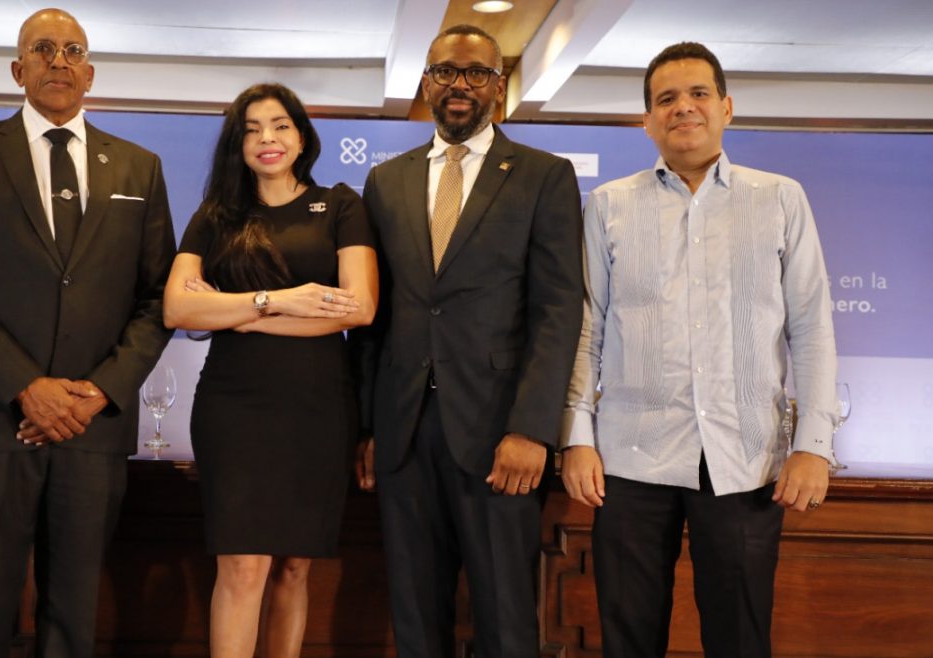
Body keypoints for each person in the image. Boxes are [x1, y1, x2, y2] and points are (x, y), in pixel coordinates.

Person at [560, 41, 839, 658]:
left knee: (739, 640)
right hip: (630, 460)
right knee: (628, 642)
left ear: (726, 108)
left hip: (745, 459)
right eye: (666, 99)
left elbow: (812, 328)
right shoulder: (607, 205)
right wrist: (576, 436)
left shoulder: (780, 198)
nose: (683, 107)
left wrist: (813, 446)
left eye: (698, 94)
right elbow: (586, 328)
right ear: (647, 120)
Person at [0, 8, 175, 657]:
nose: (59, 61)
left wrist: (98, 392)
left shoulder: (139, 167)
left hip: (92, 428)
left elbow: (157, 299)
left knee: (73, 618)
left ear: (90, 73)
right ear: (17, 69)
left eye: (72, 50)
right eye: (43, 49)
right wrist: (26, 386)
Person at [350, 24, 584, 658]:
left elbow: (558, 310)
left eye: (476, 73)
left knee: (506, 621)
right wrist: (368, 426)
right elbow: (374, 317)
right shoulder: (386, 181)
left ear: (498, 87)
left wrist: (532, 429)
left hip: (498, 433)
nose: (460, 85)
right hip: (403, 433)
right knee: (415, 620)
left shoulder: (543, 176)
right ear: (426, 83)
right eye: (445, 72)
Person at [162, 83, 378, 658]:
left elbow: (358, 308)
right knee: (242, 564)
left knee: (293, 567)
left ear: (301, 137)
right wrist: (279, 301)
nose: (267, 139)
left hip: (318, 406)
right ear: (238, 144)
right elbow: (178, 309)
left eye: (280, 125)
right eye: (252, 129)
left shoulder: (340, 205)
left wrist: (236, 315)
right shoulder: (216, 216)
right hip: (235, 407)